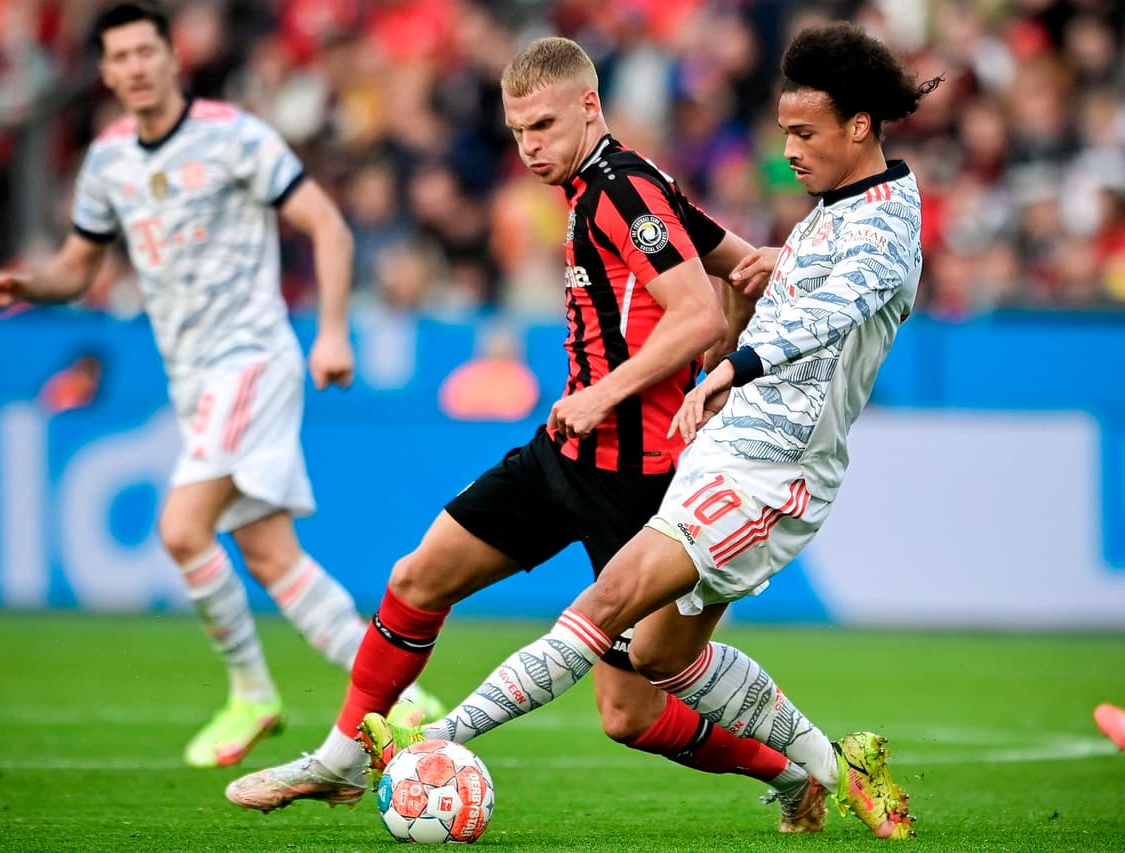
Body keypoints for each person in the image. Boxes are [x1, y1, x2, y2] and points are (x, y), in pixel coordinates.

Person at [227, 36, 830, 833]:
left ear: (590, 106)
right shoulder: (610, 188)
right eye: (516, 132)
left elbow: (696, 312)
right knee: (417, 578)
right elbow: (743, 267)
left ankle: (791, 774)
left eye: (543, 125)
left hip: (644, 483)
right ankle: (342, 756)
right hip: (567, 454)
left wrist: (674, 372)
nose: (529, 147)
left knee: (631, 715)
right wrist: (738, 327)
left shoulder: (624, 192)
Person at [359, 23, 939, 842]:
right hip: (722, 455)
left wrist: (731, 364)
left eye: (804, 134)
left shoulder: (886, 226)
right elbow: (781, 285)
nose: (789, 151)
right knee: (659, 659)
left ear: (860, 125)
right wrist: (764, 278)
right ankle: (833, 767)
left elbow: (825, 313)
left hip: (776, 474)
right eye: (782, 132)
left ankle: (433, 741)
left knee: (605, 603)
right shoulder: (830, 214)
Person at [0, 1, 440, 769]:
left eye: (145, 51)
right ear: (104, 71)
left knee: (182, 526)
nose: (134, 66)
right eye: (118, 56)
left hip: (252, 356)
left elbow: (327, 222)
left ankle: (251, 690)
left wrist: (330, 329)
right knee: (268, 554)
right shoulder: (108, 163)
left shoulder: (233, 135)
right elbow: (77, 267)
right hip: (194, 377)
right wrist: (30, 283)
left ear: (172, 57)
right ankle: (401, 694)